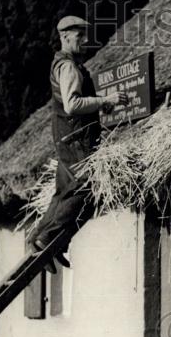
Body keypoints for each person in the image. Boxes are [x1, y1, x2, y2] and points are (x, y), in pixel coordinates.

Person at [26, 15, 128, 272]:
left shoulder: (61, 64)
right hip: (77, 139)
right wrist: (105, 100)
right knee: (86, 188)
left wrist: (98, 104)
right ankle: (49, 239)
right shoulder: (69, 67)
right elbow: (72, 104)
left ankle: (39, 240)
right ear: (65, 37)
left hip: (67, 138)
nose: (85, 40)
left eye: (86, 35)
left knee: (63, 192)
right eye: (79, 36)